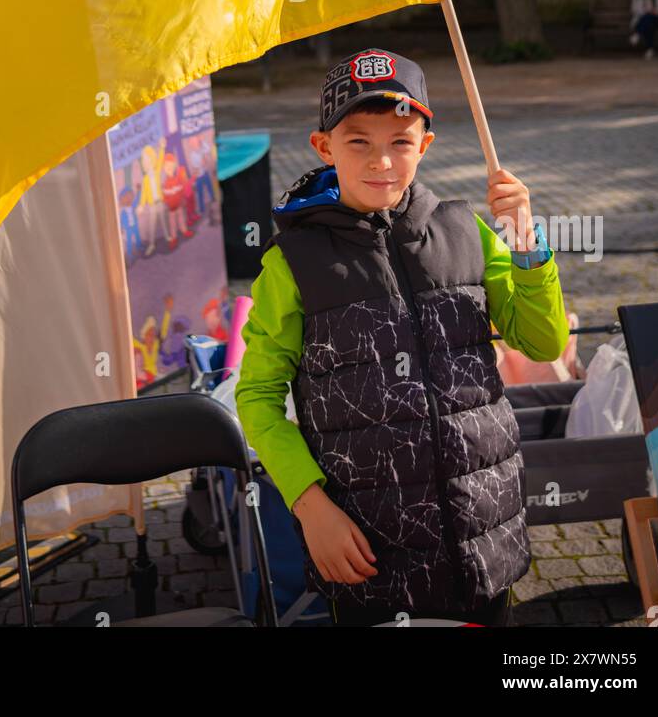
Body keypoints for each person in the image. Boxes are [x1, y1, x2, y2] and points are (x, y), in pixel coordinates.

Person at [235, 48, 570, 628]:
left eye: (401, 142)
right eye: (359, 141)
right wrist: (310, 507)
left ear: (426, 145)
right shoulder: (293, 263)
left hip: (484, 532)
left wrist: (525, 247)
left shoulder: (468, 231)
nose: (382, 162)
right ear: (324, 147)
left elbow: (541, 343)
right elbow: (258, 399)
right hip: (368, 548)